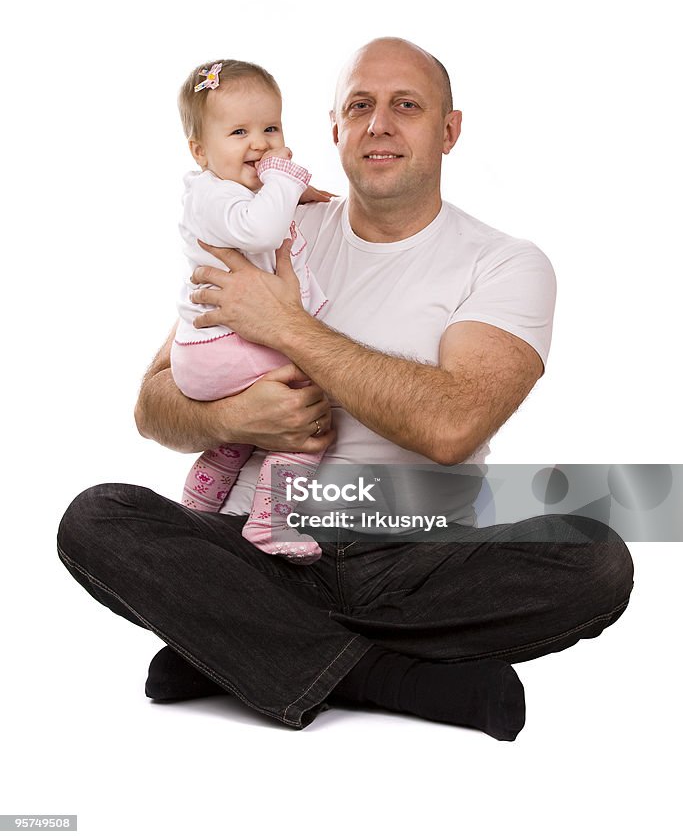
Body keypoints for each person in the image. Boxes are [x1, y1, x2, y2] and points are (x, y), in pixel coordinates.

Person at [57, 37, 634, 742]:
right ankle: (388, 676)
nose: (378, 124)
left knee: (592, 554)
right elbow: (154, 406)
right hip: (255, 544)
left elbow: (451, 426)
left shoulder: (504, 263)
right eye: (358, 106)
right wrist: (238, 415)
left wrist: (287, 326)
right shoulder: (278, 229)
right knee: (97, 518)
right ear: (333, 129)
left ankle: (239, 648)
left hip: (411, 550)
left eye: (406, 106)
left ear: (447, 130)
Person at [172, 57, 332, 563]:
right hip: (221, 346)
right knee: (310, 414)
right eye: (238, 131)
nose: (259, 144)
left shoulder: (228, 191)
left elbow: (260, 213)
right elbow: (260, 229)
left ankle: (197, 511)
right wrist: (286, 178)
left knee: (236, 438)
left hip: (211, 351)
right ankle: (271, 522)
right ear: (200, 151)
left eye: (270, 128)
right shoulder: (211, 196)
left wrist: (293, 192)